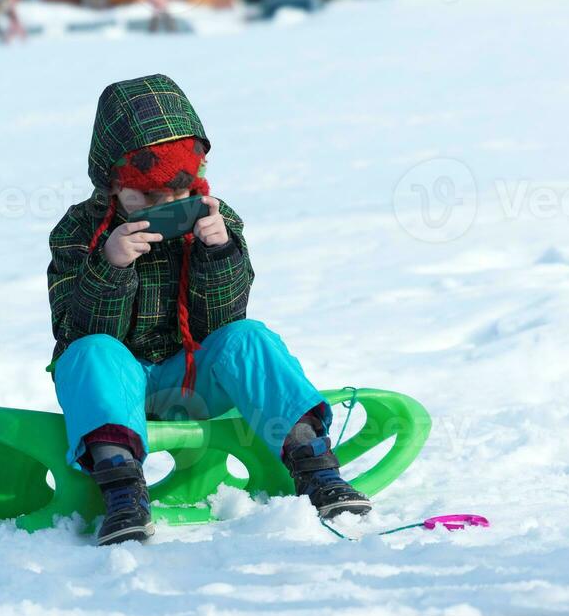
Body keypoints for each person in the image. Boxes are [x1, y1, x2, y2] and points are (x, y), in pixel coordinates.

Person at [47, 74, 370, 545]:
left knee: (248, 337)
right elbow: (74, 329)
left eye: (177, 194)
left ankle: (315, 465)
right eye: (148, 197)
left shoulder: (216, 217)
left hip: (194, 376)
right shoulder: (78, 229)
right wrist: (111, 266)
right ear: (112, 184)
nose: (167, 206)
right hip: (115, 384)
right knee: (90, 350)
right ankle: (121, 490)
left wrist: (217, 254)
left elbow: (221, 326)